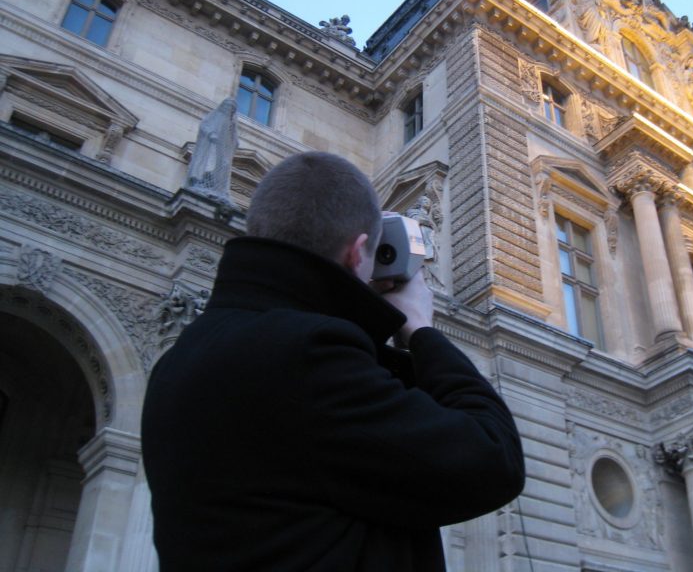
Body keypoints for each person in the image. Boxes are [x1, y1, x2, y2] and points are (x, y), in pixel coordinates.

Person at [142, 151, 525, 571]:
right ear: (358, 252)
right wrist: (420, 330)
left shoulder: (180, 359)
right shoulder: (311, 356)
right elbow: (493, 457)